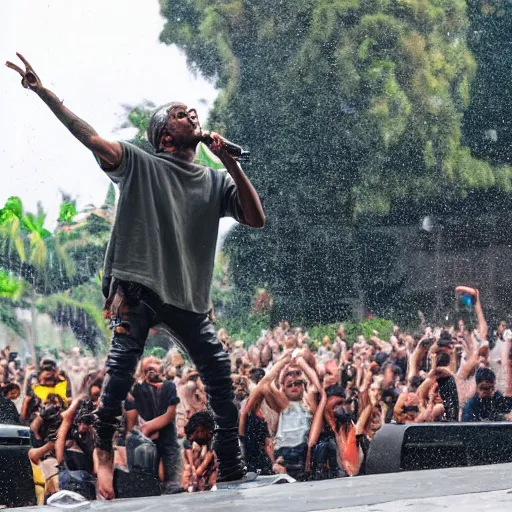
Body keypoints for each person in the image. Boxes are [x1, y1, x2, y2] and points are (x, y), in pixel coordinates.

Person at [6, 53, 265, 499]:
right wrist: (45, 92)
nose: (193, 115)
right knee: (122, 369)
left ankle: (232, 464)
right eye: (183, 113)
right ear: (165, 133)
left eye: (193, 111)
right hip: (138, 285)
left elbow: (255, 219)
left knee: (219, 375)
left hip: (186, 294)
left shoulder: (214, 178)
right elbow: (88, 136)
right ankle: (103, 448)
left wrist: (232, 164)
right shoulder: (140, 163)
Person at [125, 357, 180, 490]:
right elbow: (129, 405)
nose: (151, 367)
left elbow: (170, 415)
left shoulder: (169, 386)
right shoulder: (138, 388)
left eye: (155, 364)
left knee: (172, 480)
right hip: (147, 441)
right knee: (149, 479)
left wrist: (147, 427)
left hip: (167, 438)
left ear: (161, 368)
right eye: (147, 366)